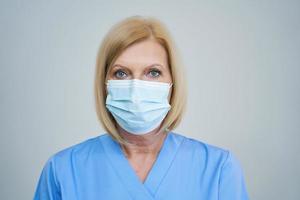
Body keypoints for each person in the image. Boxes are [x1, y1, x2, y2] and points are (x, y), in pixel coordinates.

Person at [33, 15, 249, 200]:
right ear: (104, 84)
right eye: (121, 73)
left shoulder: (218, 169)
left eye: (153, 72)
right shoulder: (64, 171)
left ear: (173, 83)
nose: (136, 89)